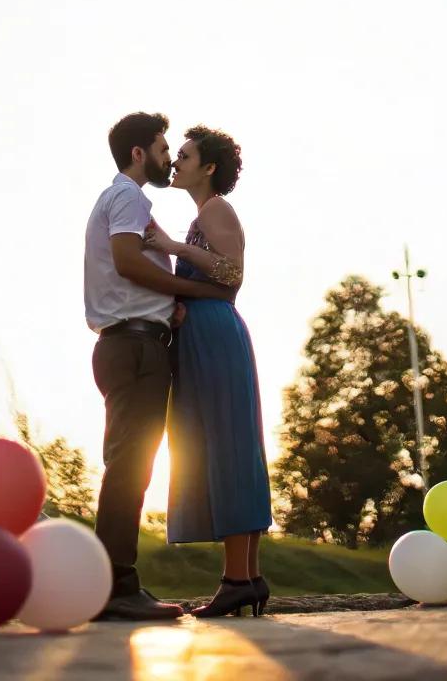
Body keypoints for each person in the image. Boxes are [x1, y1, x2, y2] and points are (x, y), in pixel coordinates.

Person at [84, 111, 234, 622]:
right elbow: (127, 261)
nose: (169, 159)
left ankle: (112, 584)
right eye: (164, 149)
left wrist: (163, 306)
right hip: (135, 348)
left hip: (130, 341)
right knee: (130, 465)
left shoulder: (120, 198)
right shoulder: (129, 196)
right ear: (138, 154)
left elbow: (128, 273)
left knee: (129, 463)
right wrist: (194, 290)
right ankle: (116, 589)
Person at [145, 125, 272, 619]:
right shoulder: (203, 215)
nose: (176, 163)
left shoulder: (217, 209)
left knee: (228, 448)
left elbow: (230, 273)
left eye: (185, 155)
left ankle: (237, 580)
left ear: (209, 167)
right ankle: (250, 578)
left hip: (217, 337)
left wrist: (176, 249)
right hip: (202, 335)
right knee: (223, 446)